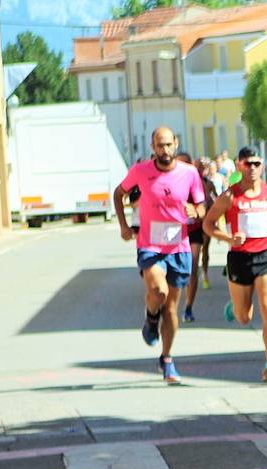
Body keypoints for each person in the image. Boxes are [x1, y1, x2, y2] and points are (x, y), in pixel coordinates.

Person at [112, 126, 206, 385]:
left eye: (168, 145)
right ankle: (151, 318)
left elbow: (201, 206)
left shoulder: (189, 173)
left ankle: (167, 358)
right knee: (159, 291)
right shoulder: (141, 171)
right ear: (152, 147)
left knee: (173, 308)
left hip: (179, 246)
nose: (164, 150)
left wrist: (196, 212)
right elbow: (119, 194)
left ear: (175, 144)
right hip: (150, 245)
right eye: (159, 145)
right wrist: (123, 226)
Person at [203, 146, 267, 383]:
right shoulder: (229, 196)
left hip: (266, 256)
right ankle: (235, 306)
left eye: (256, 164)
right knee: (244, 317)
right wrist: (229, 238)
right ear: (238, 165)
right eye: (247, 163)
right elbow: (208, 225)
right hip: (239, 259)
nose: (252, 168)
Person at [175, 152, 214, 323]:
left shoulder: (196, 181)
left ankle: (188, 306)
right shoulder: (167, 180)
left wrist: (198, 211)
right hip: (172, 231)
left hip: (195, 228)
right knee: (173, 270)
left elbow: (204, 203)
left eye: (185, 164)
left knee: (193, 265)